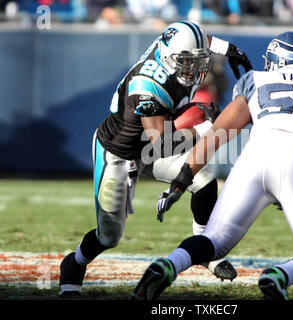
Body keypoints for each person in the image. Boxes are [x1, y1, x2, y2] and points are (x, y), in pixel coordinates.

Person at [131, 31, 293, 300]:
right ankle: (280, 276)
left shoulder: (256, 79)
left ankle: (170, 264)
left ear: (273, 60)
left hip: (255, 154)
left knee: (214, 241)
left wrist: (182, 179)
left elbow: (219, 133)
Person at [58, 20, 253, 297]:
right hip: (121, 151)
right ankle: (74, 263)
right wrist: (205, 128)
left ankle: (204, 245)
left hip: (154, 138)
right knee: (109, 236)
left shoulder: (172, 46)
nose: (194, 69)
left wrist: (229, 48)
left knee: (205, 179)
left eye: (197, 60)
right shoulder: (147, 86)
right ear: (169, 58)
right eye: (187, 62)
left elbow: (199, 38)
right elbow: (161, 144)